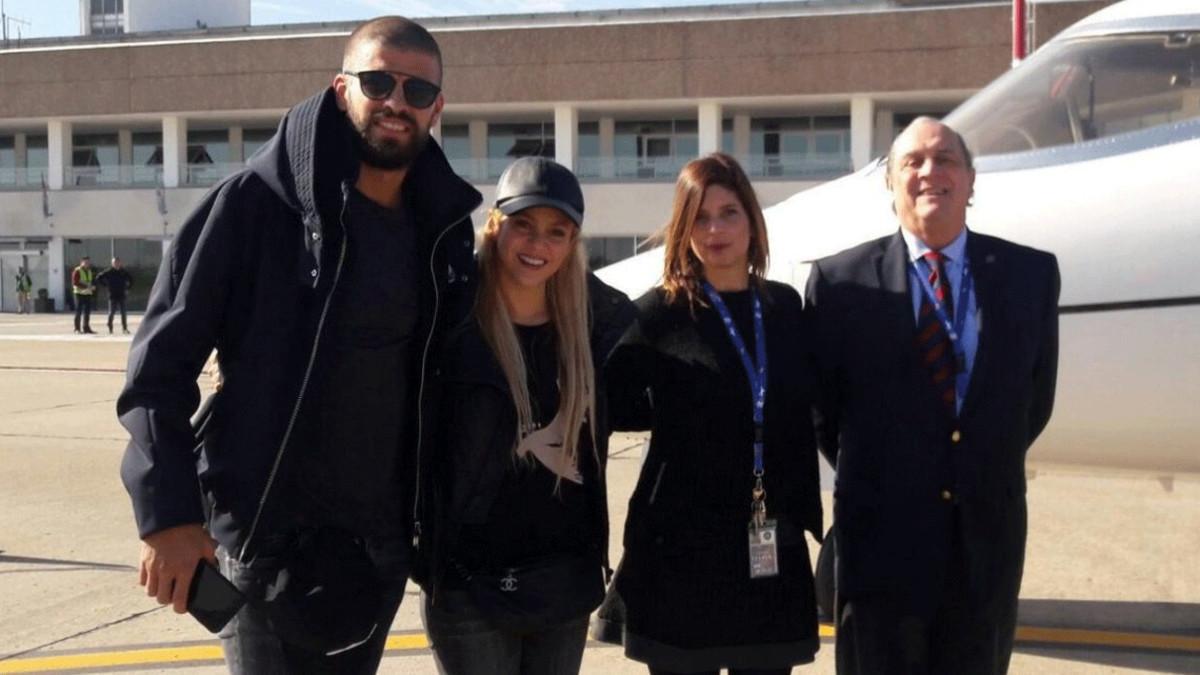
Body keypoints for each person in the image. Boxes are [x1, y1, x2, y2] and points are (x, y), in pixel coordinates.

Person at [117, 16, 481, 673]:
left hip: (380, 544)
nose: (397, 101)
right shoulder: (254, 207)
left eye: (417, 91)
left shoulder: (443, 232)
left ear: (437, 108)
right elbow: (157, 371)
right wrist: (166, 515)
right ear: (343, 89)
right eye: (378, 82)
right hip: (263, 538)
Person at [805, 117, 1059, 675]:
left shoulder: (1030, 276)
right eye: (912, 162)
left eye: (945, 160)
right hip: (880, 549)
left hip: (984, 546)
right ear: (890, 185)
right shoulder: (840, 283)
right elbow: (825, 415)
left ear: (971, 180)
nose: (929, 172)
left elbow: (1032, 403)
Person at [597, 153, 823, 675]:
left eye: (729, 213)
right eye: (700, 217)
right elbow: (605, 403)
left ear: (752, 220)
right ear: (683, 228)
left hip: (767, 547)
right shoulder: (656, 314)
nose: (715, 229)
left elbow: (812, 407)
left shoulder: (786, 309)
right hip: (680, 556)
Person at [415, 157, 634, 675]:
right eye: (524, 226)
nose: (538, 246)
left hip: (565, 580)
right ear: (495, 226)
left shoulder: (601, 322)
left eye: (557, 232)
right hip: (468, 582)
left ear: (573, 243)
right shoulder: (449, 317)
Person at [95, 257, 133, 334]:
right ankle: (110, 325)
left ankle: (124, 328)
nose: (117, 264)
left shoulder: (123, 272)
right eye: (115, 263)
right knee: (112, 312)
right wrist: (106, 285)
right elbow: (99, 277)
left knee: (123, 312)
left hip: (121, 294)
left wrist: (127, 288)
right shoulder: (109, 271)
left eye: (118, 262)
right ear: (112, 264)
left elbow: (131, 279)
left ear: (120, 263)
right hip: (112, 295)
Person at [71, 255, 96, 333]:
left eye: (88, 262)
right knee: (78, 311)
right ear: (81, 263)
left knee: (87, 312)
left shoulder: (89, 271)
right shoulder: (77, 271)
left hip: (87, 294)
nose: (87, 264)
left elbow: (91, 281)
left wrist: (92, 287)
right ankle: (77, 328)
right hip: (79, 293)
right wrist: (86, 287)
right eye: (85, 262)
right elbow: (75, 282)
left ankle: (86, 328)